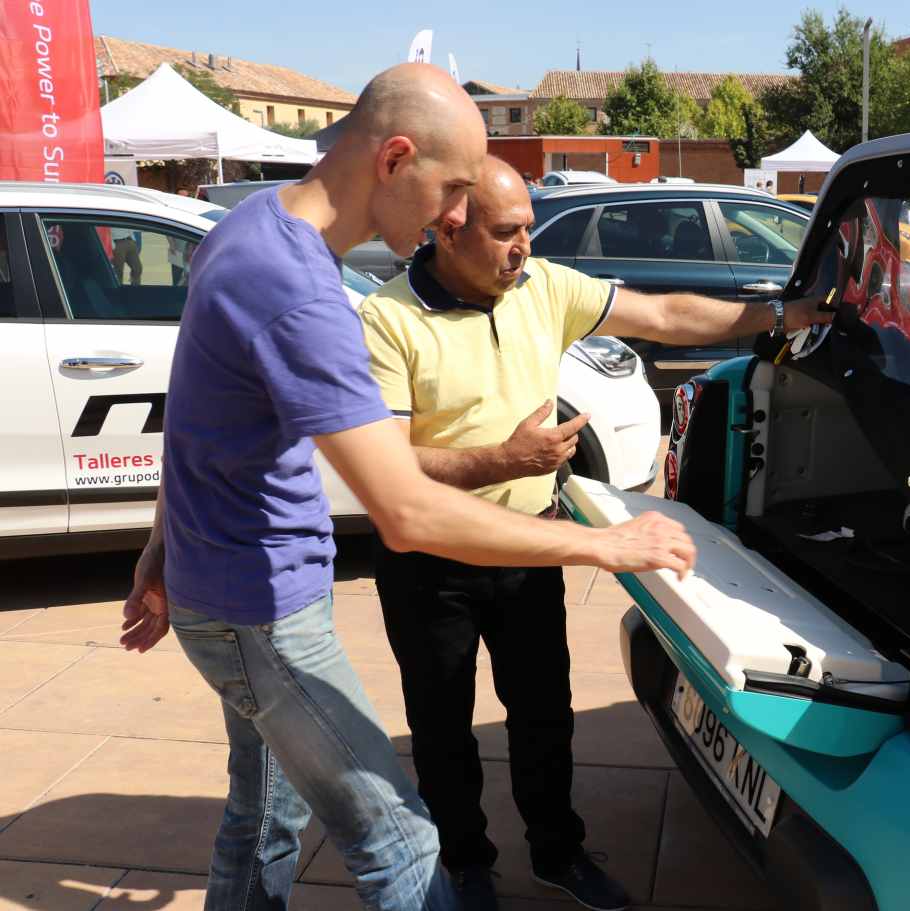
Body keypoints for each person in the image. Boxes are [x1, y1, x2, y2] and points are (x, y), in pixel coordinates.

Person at [119, 66, 695, 911]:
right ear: (394, 159)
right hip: (262, 607)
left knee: (265, 815)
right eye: (453, 187)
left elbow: (197, 419)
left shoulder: (248, 227)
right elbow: (406, 510)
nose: (455, 216)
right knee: (401, 840)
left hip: (234, 585)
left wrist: (158, 548)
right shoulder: (301, 290)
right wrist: (604, 544)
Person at [358, 156, 832, 911]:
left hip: (529, 549)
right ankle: (466, 863)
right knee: (441, 725)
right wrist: (504, 459)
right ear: (449, 228)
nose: (524, 247)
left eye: (528, 229)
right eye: (506, 232)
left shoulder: (542, 287)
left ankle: (558, 851)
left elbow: (666, 316)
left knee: (544, 713)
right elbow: (387, 465)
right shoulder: (387, 319)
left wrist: (780, 315)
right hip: (430, 563)